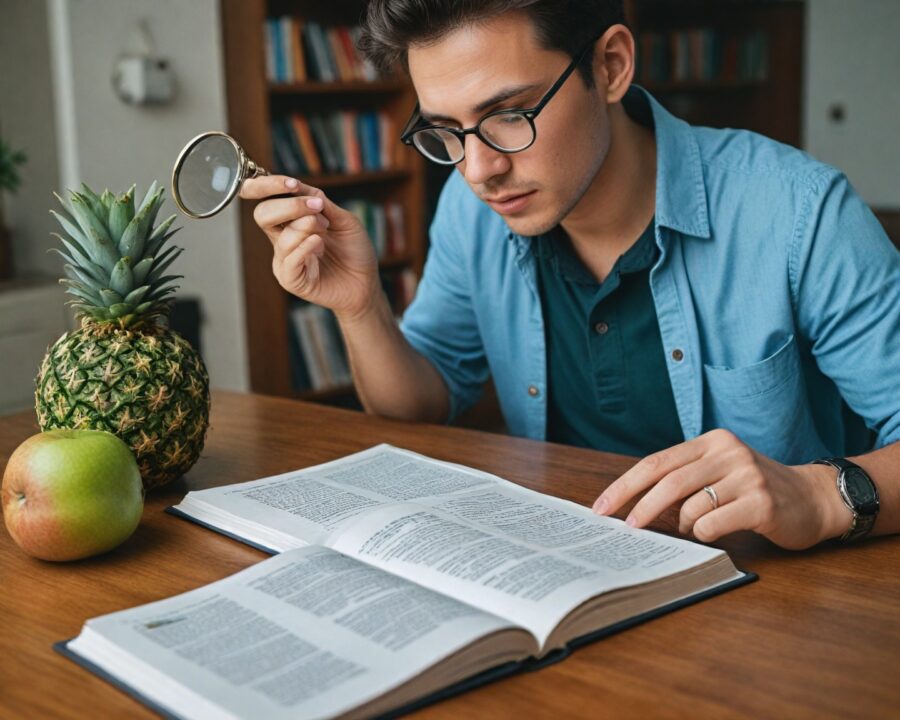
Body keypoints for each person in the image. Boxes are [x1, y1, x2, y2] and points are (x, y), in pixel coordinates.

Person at [240, 0, 899, 550]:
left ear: (609, 66)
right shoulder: (475, 217)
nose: (477, 171)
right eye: (446, 131)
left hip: (779, 601)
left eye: (507, 116)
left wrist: (816, 495)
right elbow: (422, 402)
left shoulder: (797, 211)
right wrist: (360, 308)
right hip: (570, 573)